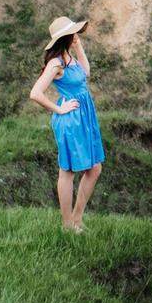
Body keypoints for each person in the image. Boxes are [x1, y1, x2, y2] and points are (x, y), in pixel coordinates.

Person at [28, 17, 105, 232]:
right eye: (74, 33)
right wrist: (59, 109)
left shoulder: (69, 57)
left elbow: (85, 73)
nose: (77, 35)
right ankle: (67, 224)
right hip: (70, 119)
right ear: (65, 37)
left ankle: (76, 219)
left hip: (85, 117)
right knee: (68, 171)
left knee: (95, 168)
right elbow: (35, 93)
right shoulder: (56, 63)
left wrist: (79, 48)